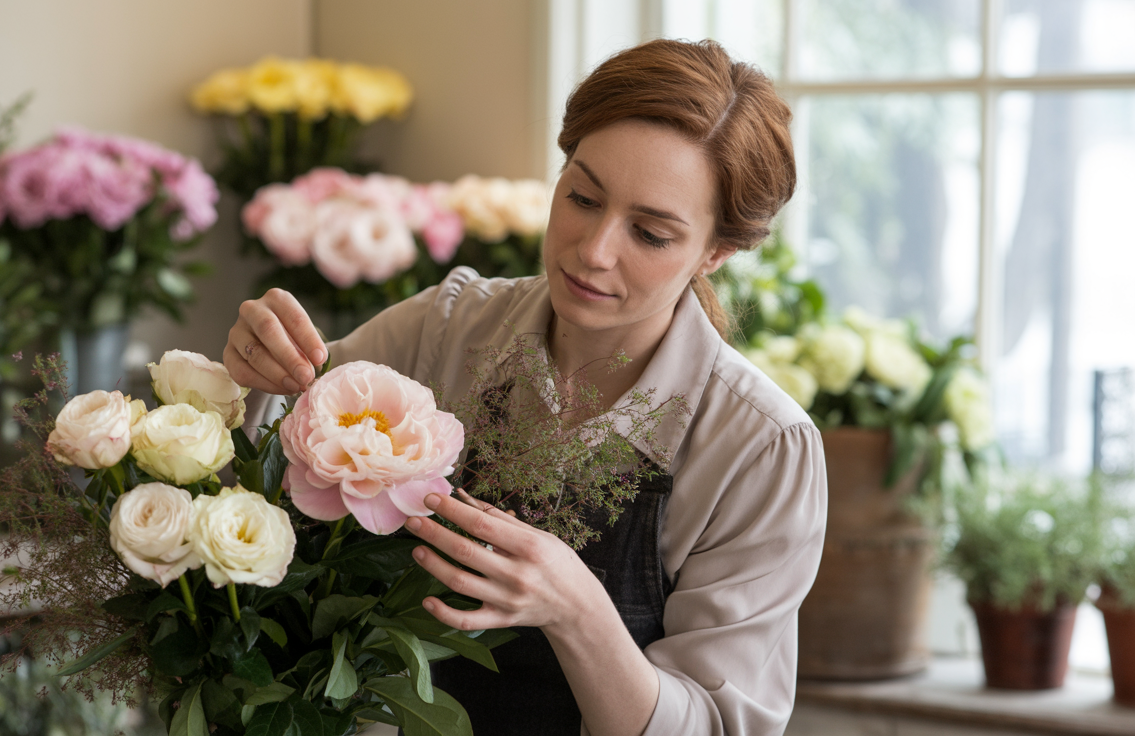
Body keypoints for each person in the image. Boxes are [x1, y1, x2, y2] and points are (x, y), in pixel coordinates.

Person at [223, 39, 826, 736]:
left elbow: (719, 727)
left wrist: (579, 610)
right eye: (583, 196)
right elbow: (267, 470)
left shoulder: (760, 448)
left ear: (716, 251)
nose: (594, 250)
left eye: (652, 233)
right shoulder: (444, 329)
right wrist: (253, 374)